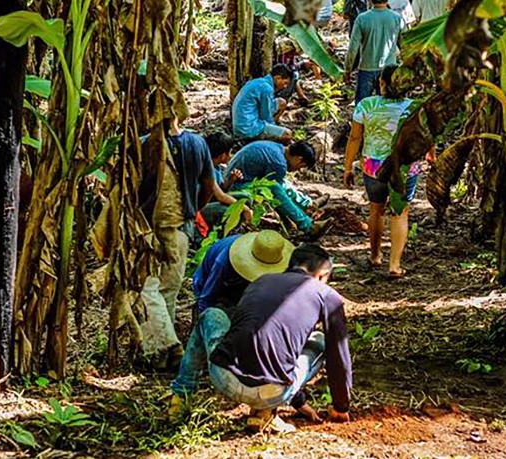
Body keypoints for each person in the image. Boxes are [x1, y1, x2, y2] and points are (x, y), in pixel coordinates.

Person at [170, 244, 352, 433]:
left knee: (211, 315)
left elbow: (250, 336)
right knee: (320, 340)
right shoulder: (326, 295)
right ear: (322, 275)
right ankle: (264, 412)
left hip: (223, 377)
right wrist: (340, 406)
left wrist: (298, 401)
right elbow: (338, 355)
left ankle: (181, 396)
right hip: (273, 392)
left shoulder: (261, 281)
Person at [140, 118, 251, 365]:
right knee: (167, 290)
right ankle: (164, 355)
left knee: (145, 288)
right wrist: (194, 210)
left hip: (146, 227)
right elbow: (209, 187)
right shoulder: (197, 143)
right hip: (182, 227)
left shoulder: (144, 144)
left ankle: (165, 346)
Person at [343, 65, 421, 278]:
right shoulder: (414, 107)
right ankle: (395, 265)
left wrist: (348, 167)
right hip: (405, 167)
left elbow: (355, 138)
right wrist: (431, 155)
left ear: (382, 83)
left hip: (374, 166)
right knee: (400, 212)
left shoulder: (366, 105)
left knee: (376, 210)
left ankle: (375, 255)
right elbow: (425, 135)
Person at [225, 140, 329, 235]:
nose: (297, 170)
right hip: (234, 186)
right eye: (300, 166)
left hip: (240, 180)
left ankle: (307, 205)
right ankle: (308, 226)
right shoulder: (279, 163)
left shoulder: (277, 148)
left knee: (282, 184)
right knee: (275, 188)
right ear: (299, 159)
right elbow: (277, 197)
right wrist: (289, 220)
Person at [193, 231, 295, 318]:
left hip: (239, 288)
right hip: (211, 284)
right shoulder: (223, 262)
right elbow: (206, 297)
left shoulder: (269, 254)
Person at [345, 0, 404, 104]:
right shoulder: (397, 18)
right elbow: (405, 44)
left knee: (362, 105)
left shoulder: (362, 18)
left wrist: (348, 69)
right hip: (388, 69)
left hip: (366, 68)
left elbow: (353, 48)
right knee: (386, 105)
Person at [232, 65, 294, 143]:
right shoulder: (267, 89)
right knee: (287, 134)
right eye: (285, 83)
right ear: (278, 78)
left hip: (240, 126)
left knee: (282, 102)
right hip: (249, 129)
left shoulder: (258, 82)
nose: (285, 86)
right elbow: (265, 116)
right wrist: (276, 130)